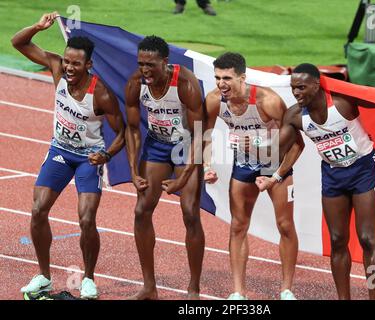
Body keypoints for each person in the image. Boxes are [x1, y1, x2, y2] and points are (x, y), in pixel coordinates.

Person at [258, 63, 375, 300]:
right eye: (293, 88)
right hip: (333, 174)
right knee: (338, 240)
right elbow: (277, 148)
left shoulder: (342, 103)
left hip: (363, 169)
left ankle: (374, 297)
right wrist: (254, 146)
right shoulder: (295, 116)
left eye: (301, 87)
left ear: (316, 86)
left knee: (367, 239)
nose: (296, 93)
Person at [11, 12, 126, 299]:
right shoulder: (57, 70)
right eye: (67, 61)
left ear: (89, 64)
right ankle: (43, 276)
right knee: (38, 210)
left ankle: (88, 278)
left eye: (76, 63)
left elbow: (123, 132)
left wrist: (107, 155)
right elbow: (18, 43)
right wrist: (37, 27)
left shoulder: (100, 94)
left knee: (86, 219)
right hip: (60, 152)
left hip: (88, 158)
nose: (69, 67)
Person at [204, 52, 303, 300]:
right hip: (244, 165)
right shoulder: (215, 100)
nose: (221, 84)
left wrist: (277, 176)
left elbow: (296, 144)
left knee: (285, 225)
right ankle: (238, 292)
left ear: (242, 78)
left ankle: (286, 290)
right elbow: (202, 135)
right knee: (238, 226)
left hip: (275, 166)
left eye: (227, 78)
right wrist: (206, 165)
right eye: (217, 78)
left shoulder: (267, 100)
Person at [125, 35, 205, 300]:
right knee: (141, 210)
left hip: (185, 146)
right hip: (157, 145)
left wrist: (182, 181)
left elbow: (199, 134)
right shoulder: (136, 83)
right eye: (141, 64)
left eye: (151, 64)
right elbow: (133, 129)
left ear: (165, 62)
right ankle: (149, 287)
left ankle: (193, 288)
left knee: (191, 213)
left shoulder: (185, 83)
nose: (145, 70)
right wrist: (134, 172)